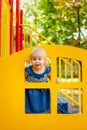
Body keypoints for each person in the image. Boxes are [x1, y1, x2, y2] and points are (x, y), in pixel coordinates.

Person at [25, 48, 51, 113]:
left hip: (43, 92)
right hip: (31, 93)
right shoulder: (28, 70)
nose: (37, 61)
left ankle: (42, 114)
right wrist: (24, 80)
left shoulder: (47, 70)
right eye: (34, 59)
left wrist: (56, 80)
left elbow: (52, 77)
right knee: (30, 106)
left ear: (44, 60)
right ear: (31, 60)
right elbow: (22, 77)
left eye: (40, 59)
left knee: (43, 105)